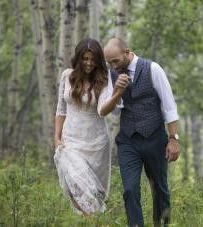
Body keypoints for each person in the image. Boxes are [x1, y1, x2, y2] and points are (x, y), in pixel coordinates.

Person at [103, 38, 180, 227]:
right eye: (109, 63)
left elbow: (170, 107)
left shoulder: (153, 69)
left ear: (127, 52)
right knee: (129, 189)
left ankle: (161, 224)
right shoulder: (112, 75)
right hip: (128, 141)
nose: (113, 66)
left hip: (155, 138)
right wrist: (118, 90)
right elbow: (114, 110)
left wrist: (173, 139)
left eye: (116, 61)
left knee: (160, 189)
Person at [53, 38, 125, 215]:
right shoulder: (67, 76)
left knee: (92, 194)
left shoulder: (104, 78)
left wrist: (117, 94)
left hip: (96, 144)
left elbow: (102, 110)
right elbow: (61, 110)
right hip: (70, 141)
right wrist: (56, 136)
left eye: (93, 59)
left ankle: (95, 222)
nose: (89, 63)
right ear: (78, 58)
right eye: (85, 58)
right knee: (75, 190)